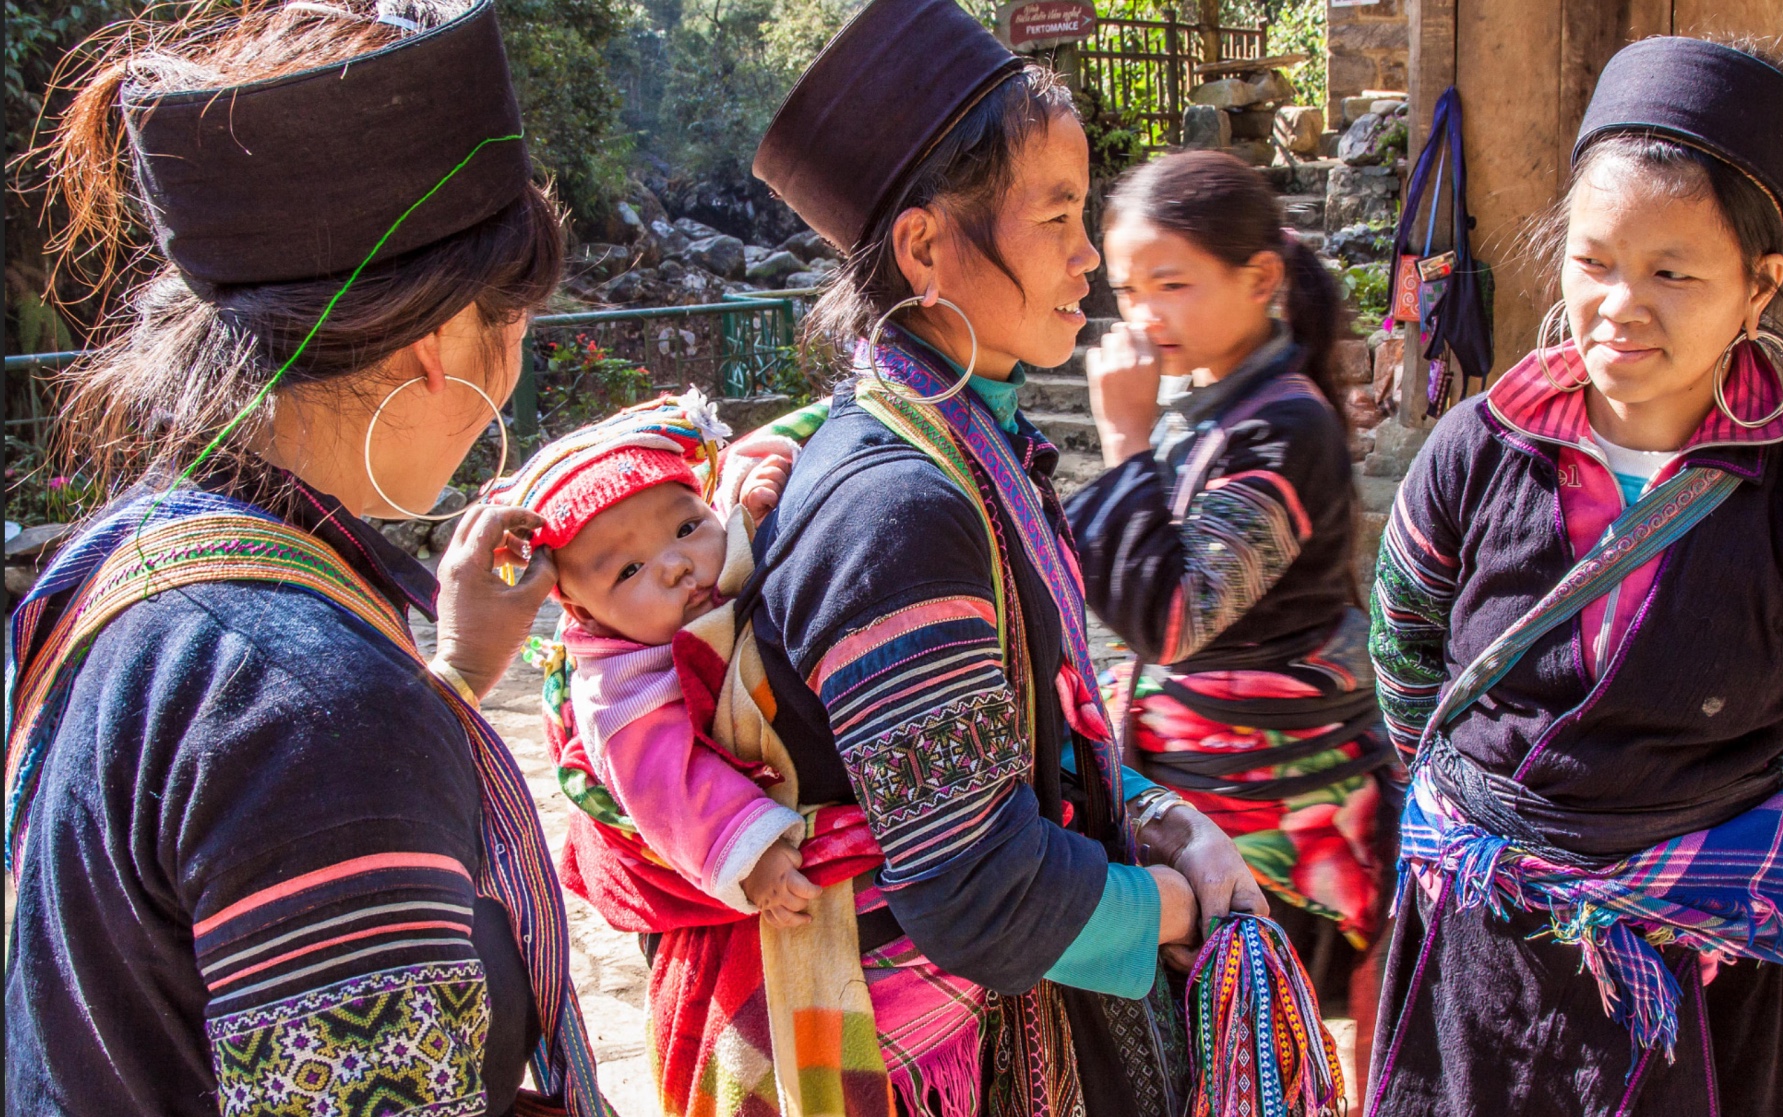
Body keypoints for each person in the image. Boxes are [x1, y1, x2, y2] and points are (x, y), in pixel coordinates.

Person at [626, 2, 1269, 1115]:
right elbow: (976, 890)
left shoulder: (973, 453)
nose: (1085, 259)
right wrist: (1182, 902)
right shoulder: (896, 507)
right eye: (1057, 217)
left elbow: (1021, 749)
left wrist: (1168, 819)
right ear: (925, 247)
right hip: (935, 1064)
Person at [5, 3, 610, 1113]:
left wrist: (452, 677)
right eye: (515, 323)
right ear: (437, 345)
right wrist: (387, 704)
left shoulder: (126, 575)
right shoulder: (314, 707)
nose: (512, 370)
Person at [1365, 37, 1783, 1116]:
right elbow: (1404, 645)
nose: (1617, 305)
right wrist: (1491, 816)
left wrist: (1733, 850)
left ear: (1758, 285)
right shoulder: (1472, 449)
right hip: (1484, 947)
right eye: (1592, 261)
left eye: (1671, 273)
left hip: (1708, 967)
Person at [1064, 149, 1398, 1098]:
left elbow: (1173, 617)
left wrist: (1123, 441)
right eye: (1129, 289)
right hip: (1214, 790)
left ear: (1258, 280)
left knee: (1256, 1049)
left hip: (1276, 812)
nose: (1144, 316)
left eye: (1172, 284)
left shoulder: (1283, 429)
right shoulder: (1213, 404)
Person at [478, 393, 819, 926]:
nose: (677, 567)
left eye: (686, 530)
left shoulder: (713, 545)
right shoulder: (620, 687)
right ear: (579, 609)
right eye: (629, 570)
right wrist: (754, 858)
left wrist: (753, 496)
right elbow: (668, 786)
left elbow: (731, 484)